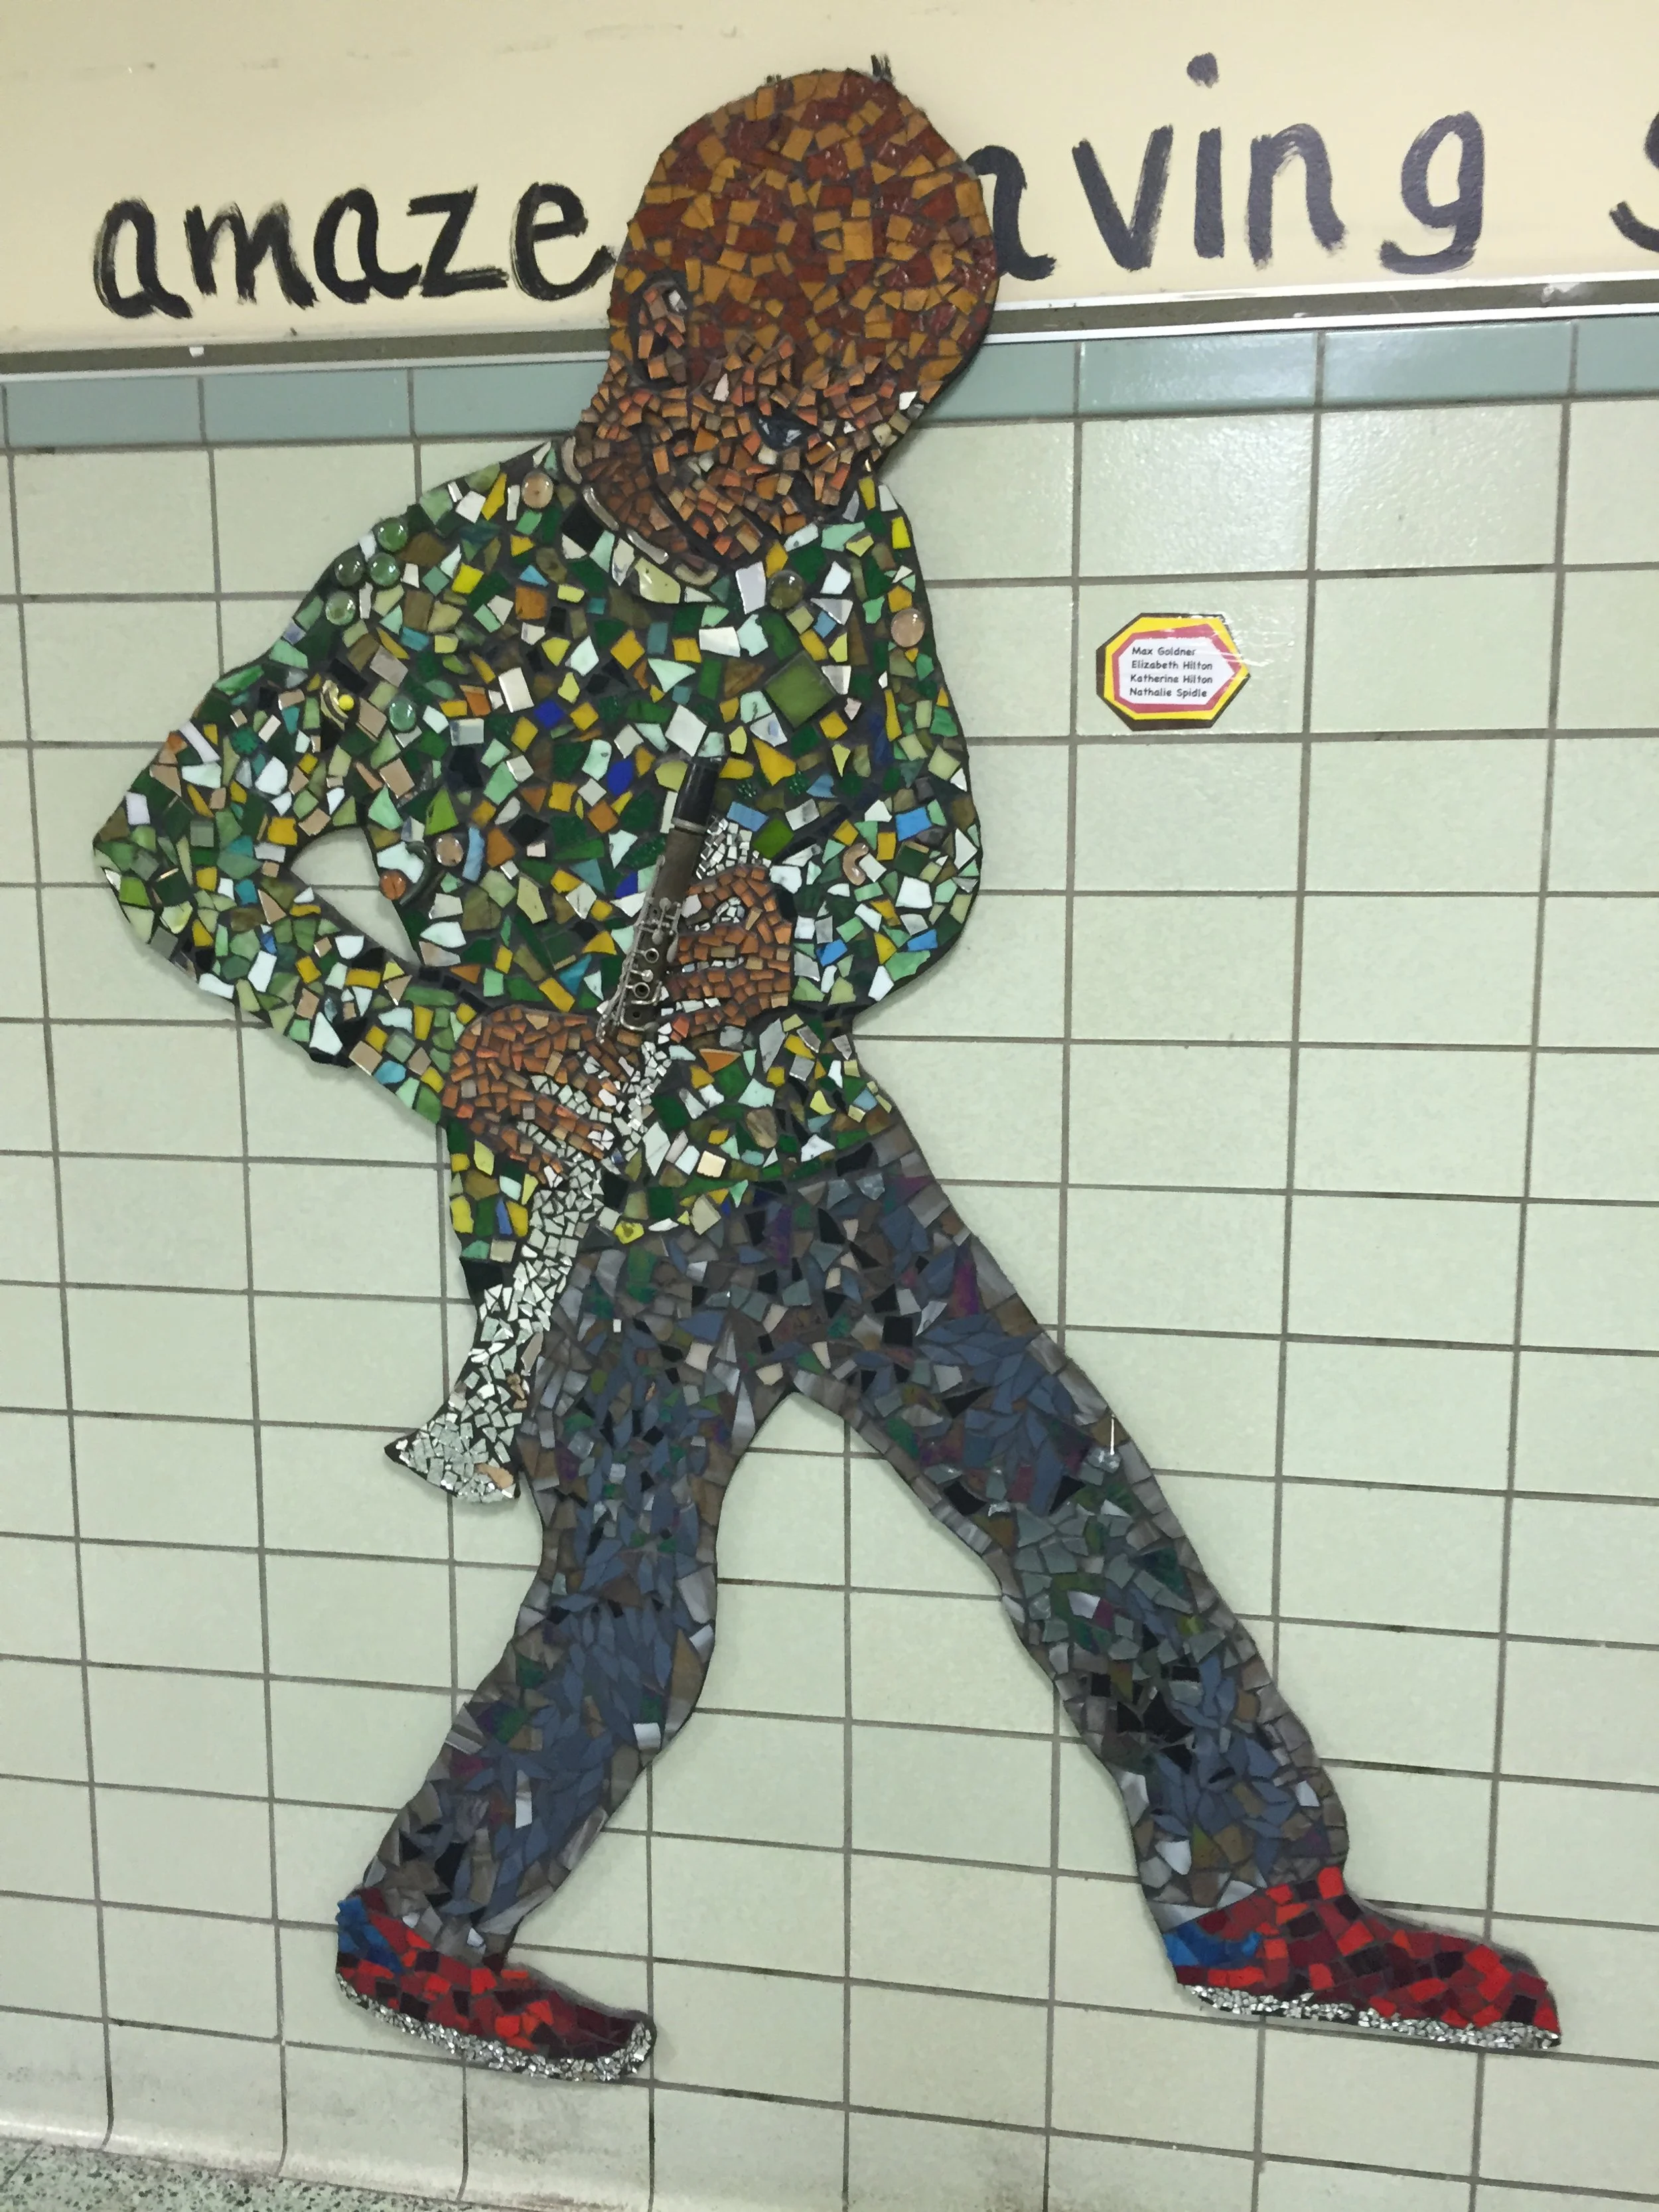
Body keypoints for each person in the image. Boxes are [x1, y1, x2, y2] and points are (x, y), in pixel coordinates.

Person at [94, 64, 1559, 2083]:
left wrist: (811, 936)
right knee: (631, 1614)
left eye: (861, 436)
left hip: (816, 1158)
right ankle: (421, 1922)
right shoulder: (428, 594)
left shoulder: (842, 562)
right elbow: (172, 855)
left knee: (1067, 1486)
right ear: (656, 329)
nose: (813, 481)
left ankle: (1250, 1890)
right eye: (788, 426)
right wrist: (441, 1037)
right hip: (596, 1218)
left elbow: (925, 844)